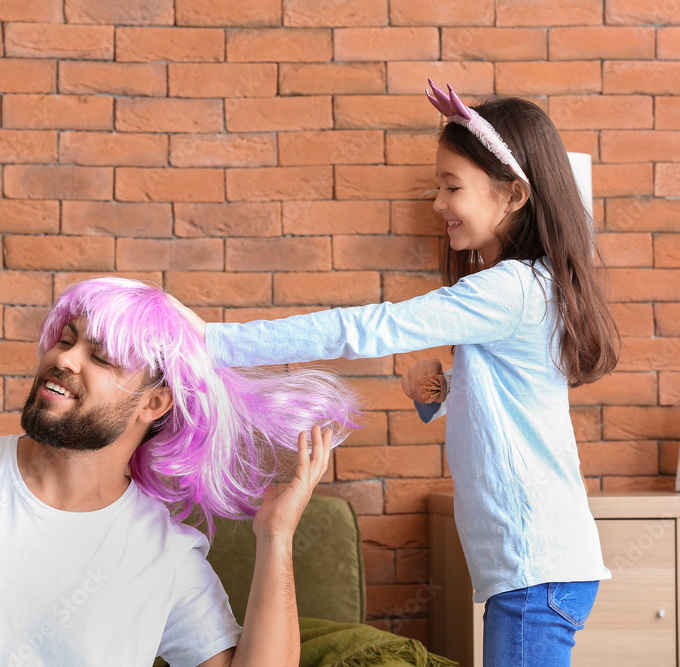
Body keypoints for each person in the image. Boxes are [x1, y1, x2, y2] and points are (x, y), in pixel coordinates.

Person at [170, 81, 621, 667]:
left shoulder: (509, 289)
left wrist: (215, 341)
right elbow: (515, 404)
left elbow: (365, 329)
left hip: (534, 562)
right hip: (533, 564)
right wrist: (441, 393)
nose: (438, 203)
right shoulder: (528, 287)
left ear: (513, 195)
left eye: (451, 187)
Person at [0, 276, 359, 666]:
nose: (65, 359)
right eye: (66, 338)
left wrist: (276, 537)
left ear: (154, 404)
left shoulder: (164, 553)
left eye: (101, 358)